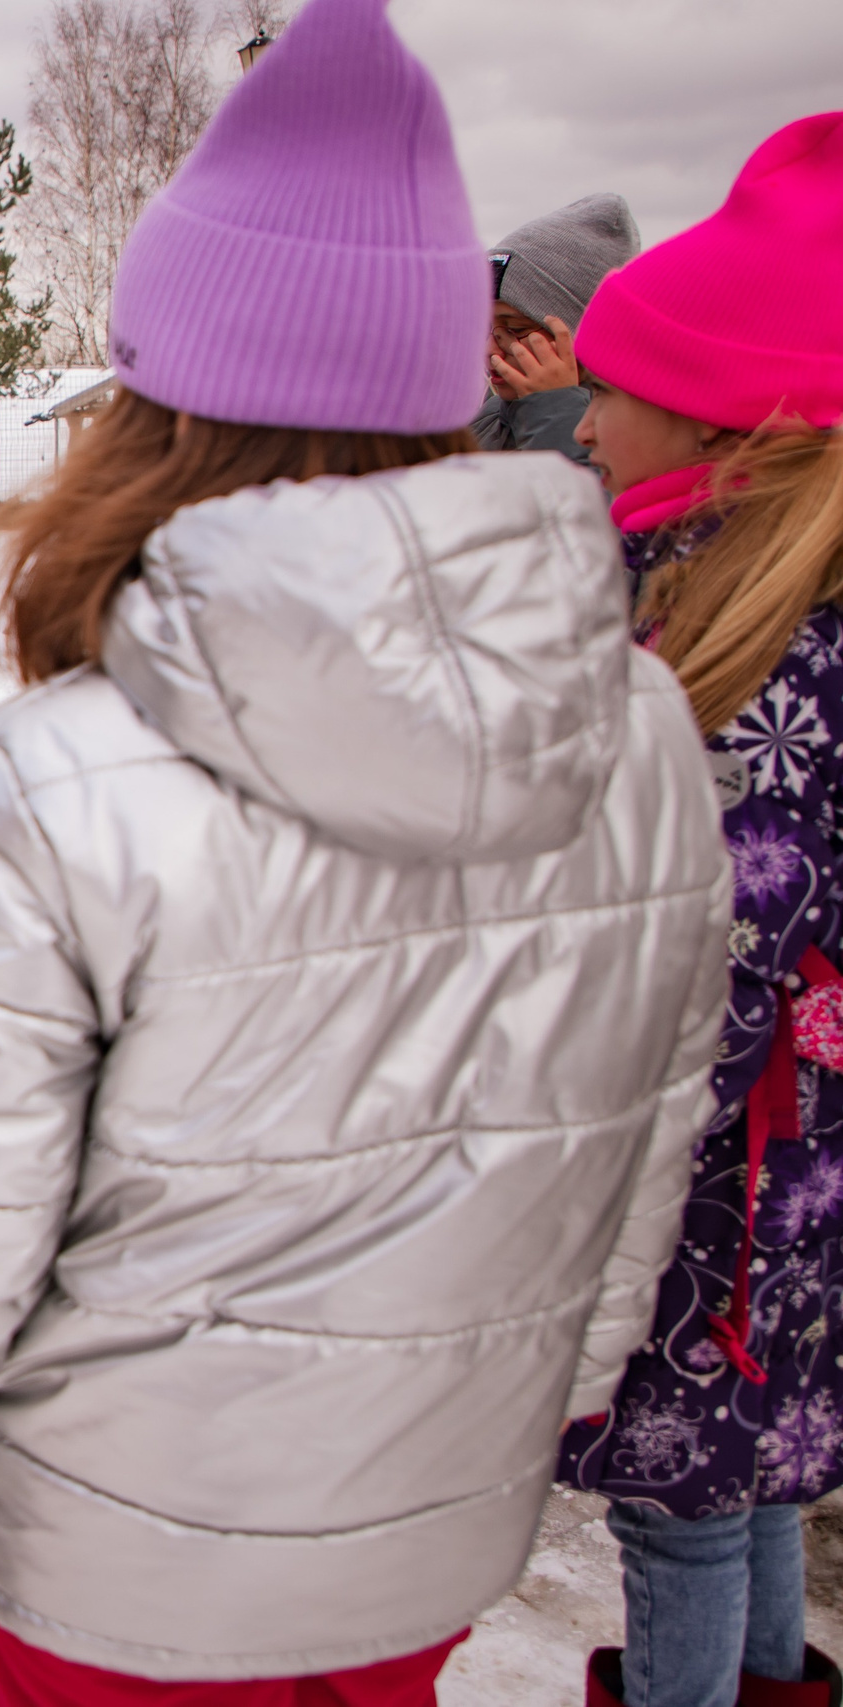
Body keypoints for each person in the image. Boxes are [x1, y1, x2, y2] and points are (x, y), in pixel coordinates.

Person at [0, 3, 731, 1702]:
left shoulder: (54, 784)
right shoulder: (637, 732)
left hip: (120, 1558)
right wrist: (541, 1384)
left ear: (154, 395)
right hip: (423, 1521)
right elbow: (642, 1125)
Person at [553, 110, 843, 1707]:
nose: (585, 427)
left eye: (610, 391)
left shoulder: (730, 657)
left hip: (713, 1181)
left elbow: (702, 956)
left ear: (717, 411)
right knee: (763, 1474)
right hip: (789, 1178)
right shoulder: (761, 603)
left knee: (682, 1509)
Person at [469, 193, 640, 466]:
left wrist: (552, 407)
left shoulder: (643, 436)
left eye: (515, 328)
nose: (490, 349)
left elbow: (595, 506)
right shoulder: (488, 420)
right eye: (485, 327)